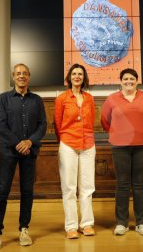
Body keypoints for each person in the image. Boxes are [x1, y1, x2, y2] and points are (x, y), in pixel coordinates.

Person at [0, 63, 47, 251]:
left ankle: (24, 229)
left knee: (27, 192)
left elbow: (42, 125)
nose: (21, 76)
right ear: (13, 77)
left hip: (29, 152)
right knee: (1, 192)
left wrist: (29, 142)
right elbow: (0, 125)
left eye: (25, 73)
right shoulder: (4, 98)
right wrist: (18, 143)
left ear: (29, 77)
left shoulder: (36, 100)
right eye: (18, 73)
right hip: (9, 152)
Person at [101, 68, 143, 236]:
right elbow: (105, 121)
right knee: (122, 184)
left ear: (137, 81)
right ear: (120, 81)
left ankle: (141, 222)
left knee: (139, 184)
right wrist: (120, 133)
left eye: (132, 78)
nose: (129, 81)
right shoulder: (111, 99)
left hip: (142, 146)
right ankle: (122, 223)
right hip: (120, 146)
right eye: (125, 79)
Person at [54, 63, 96, 239]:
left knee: (87, 187)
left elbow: (92, 120)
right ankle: (71, 226)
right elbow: (57, 123)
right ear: (69, 77)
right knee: (69, 187)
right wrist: (65, 140)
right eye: (74, 74)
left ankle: (86, 224)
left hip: (88, 145)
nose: (77, 76)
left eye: (80, 74)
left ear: (84, 78)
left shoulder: (89, 98)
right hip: (68, 144)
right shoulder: (62, 98)